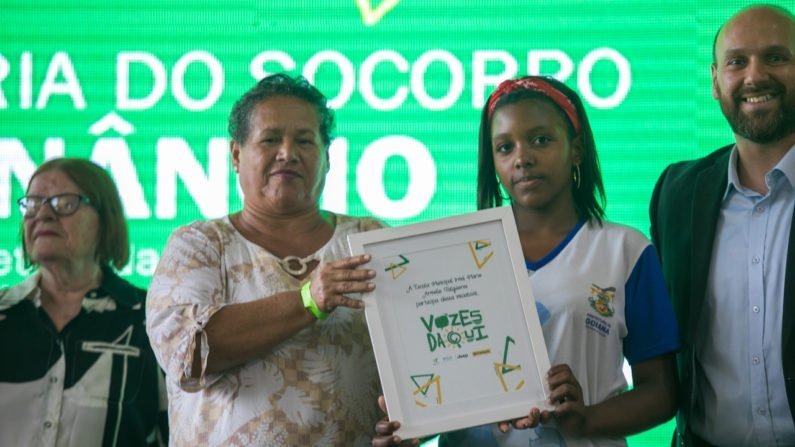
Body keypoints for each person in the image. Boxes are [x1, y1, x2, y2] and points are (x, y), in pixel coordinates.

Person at [374, 76, 680, 447]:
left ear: (577, 149)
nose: (522, 158)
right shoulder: (452, 256)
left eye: (541, 139)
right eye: (505, 147)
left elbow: (661, 393)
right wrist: (411, 425)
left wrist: (586, 419)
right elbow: (445, 385)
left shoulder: (625, 250)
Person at [146, 73, 384, 446]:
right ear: (236, 155)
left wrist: (408, 426)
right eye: (271, 139)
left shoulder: (370, 239)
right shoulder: (198, 245)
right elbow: (187, 355)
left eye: (305, 141)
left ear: (327, 157)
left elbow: (423, 363)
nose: (288, 153)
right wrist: (308, 300)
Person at [650, 5, 795, 446]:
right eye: (737, 62)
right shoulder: (677, 192)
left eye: (776, 57)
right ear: (715, 81)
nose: (755, 76)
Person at [0, 158, 168, 447]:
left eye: (64, 203)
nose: (43, 214)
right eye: (33, 203)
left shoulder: (152, 319)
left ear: (106, 219)